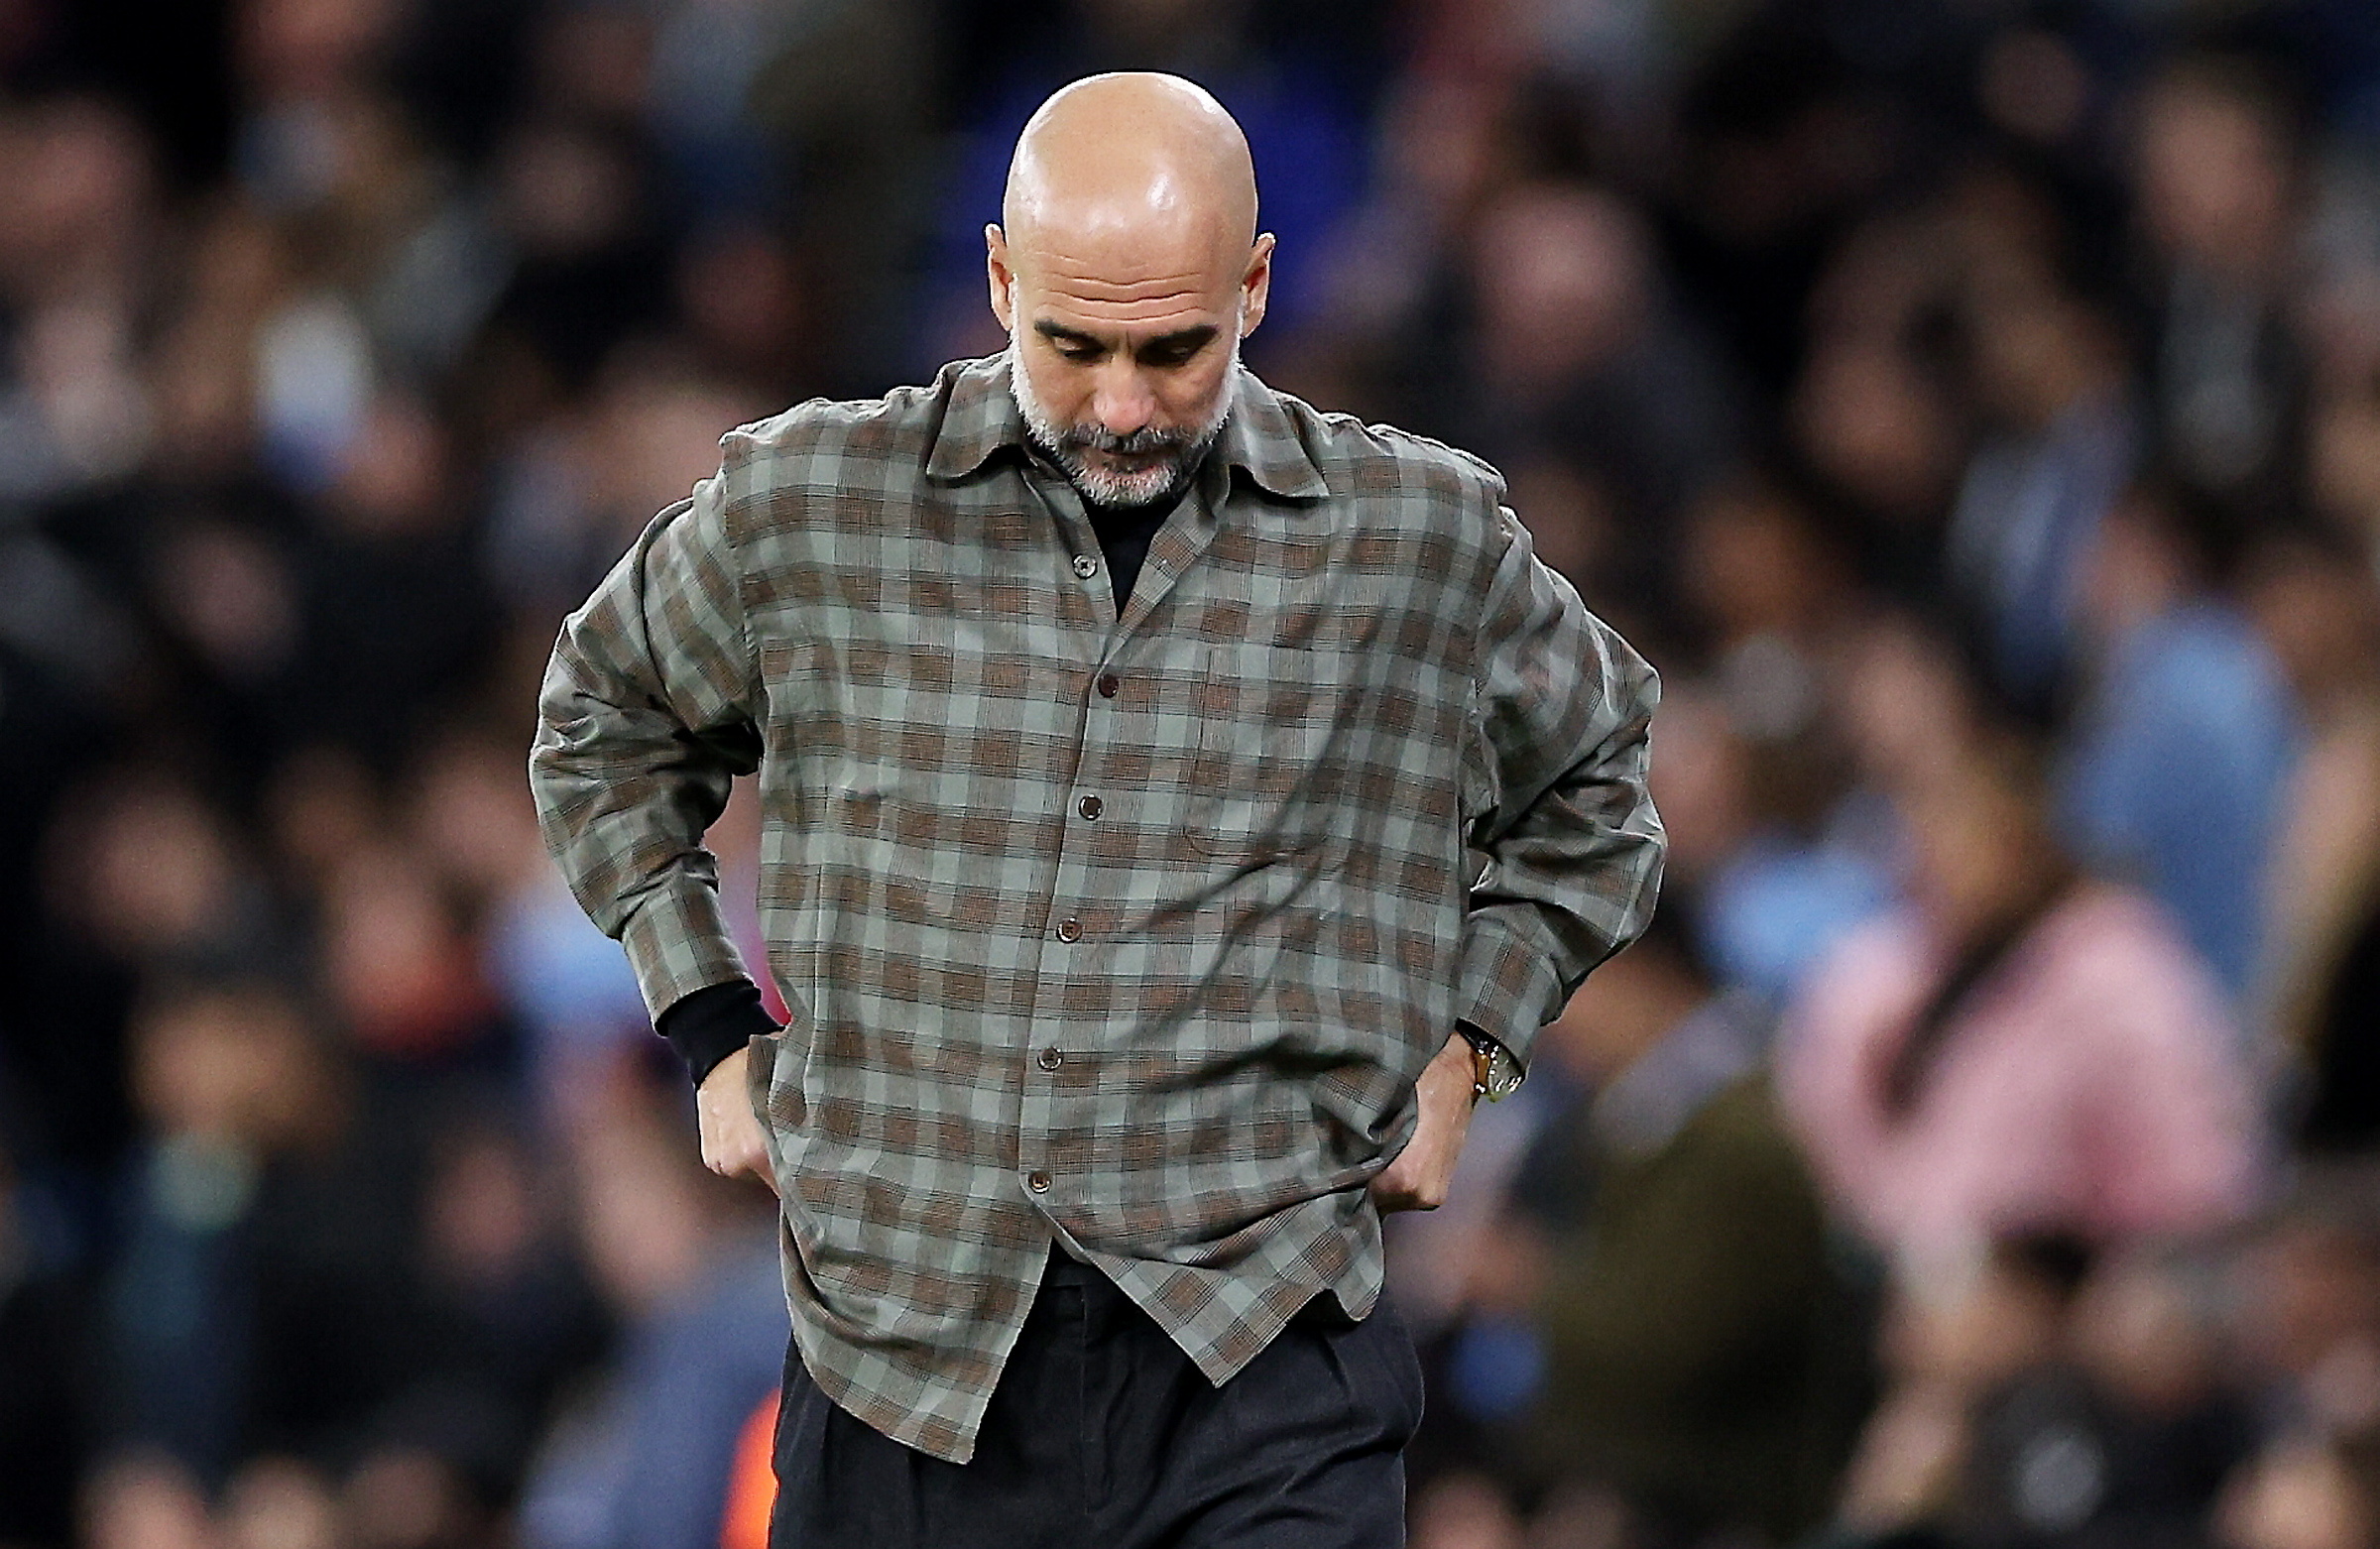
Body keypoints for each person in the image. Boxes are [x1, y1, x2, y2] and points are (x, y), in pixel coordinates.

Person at [530, 71, 1663, 1549]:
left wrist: (1470, 1045)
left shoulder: (1419, 539)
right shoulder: (811, 501)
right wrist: (705, 1022)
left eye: (1175, 347)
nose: (1124, 402)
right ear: (998, 276)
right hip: (904, 1362)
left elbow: (1600, 780)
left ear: (1256, 287)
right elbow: (602, 719)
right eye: (1072, 342)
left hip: (1261, 1357)